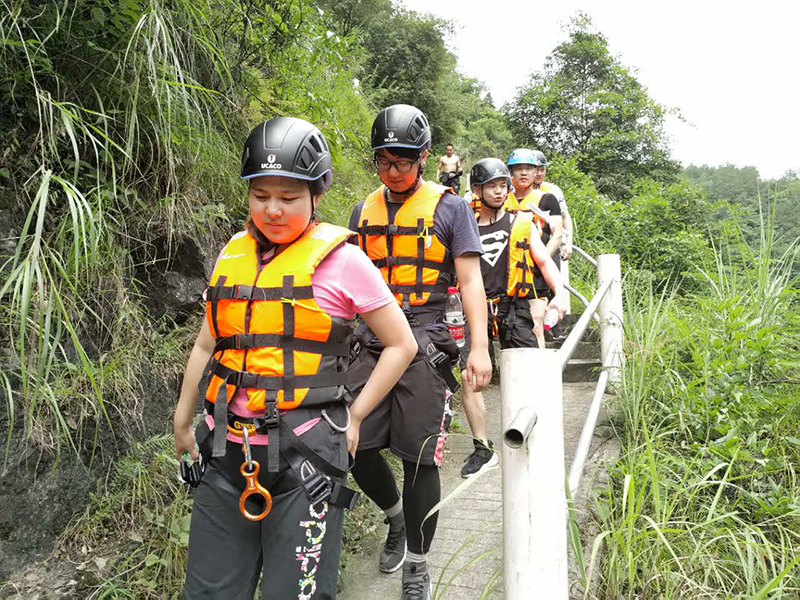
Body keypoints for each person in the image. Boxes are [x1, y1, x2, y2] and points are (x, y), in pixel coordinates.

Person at [173, 117, 418, 600]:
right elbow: (207, 344)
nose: (273, 210)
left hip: (306, 457)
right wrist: (183, 419)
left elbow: (401, 344)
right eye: (261, 195)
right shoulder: (232, 253)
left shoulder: (345, 262)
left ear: (316, 194)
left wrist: (356, 417)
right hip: (225, 450)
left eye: (288, 197)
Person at [348, 104, 492, 600]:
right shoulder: (362, 210)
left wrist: (479, 348)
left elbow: (471, 281)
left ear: (425, 158)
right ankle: (394, 520)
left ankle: (418, 562)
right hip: (369, 343)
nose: (392, 172)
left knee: (420, 458)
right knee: (356, 447)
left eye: (403, 162)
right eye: (384, 162)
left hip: (427, 340)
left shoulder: (450, 208)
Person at [459, 158, 568, 477]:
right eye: (491, 186)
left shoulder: (522, 222)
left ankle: (535, 435)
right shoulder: (465, 226)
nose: (498, 191)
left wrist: (558, 294)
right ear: (477, 190)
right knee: (471, 377)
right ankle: (482, 447)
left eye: (501, 185)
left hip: (516, 305)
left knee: (527, 372)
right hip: (476, 307)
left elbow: (546, 264)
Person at [504, 148, 565, 345]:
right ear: (511, 173)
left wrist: (540, 260)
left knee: (535, 324)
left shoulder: (547, 199)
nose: (523, 173)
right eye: (518, 169)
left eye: (528, 168)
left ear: (535, 172)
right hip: (508, 273)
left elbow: (557, 234)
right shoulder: (502, 200)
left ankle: (538, 371)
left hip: (535, 274)